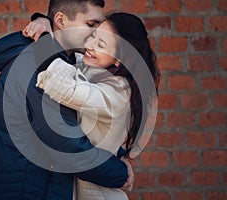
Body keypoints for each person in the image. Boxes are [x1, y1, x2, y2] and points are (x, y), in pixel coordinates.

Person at [0, 1, 134, 199]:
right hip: (28, 191)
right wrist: (120, 173)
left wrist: (116, 152)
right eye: (91, 24)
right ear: (61, 20)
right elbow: (68, 146)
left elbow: (81, 121)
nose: (97, 33)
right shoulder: (38, 69)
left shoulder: (61, 64)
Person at [32, 12, 160, 200]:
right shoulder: (96, 69)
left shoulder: (119, 92)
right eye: (94, 35)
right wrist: (43, 20)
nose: (89, 45)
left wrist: (43, 38)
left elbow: (65, 85)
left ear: (120, 60)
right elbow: (68, 54)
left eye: (101, 44)